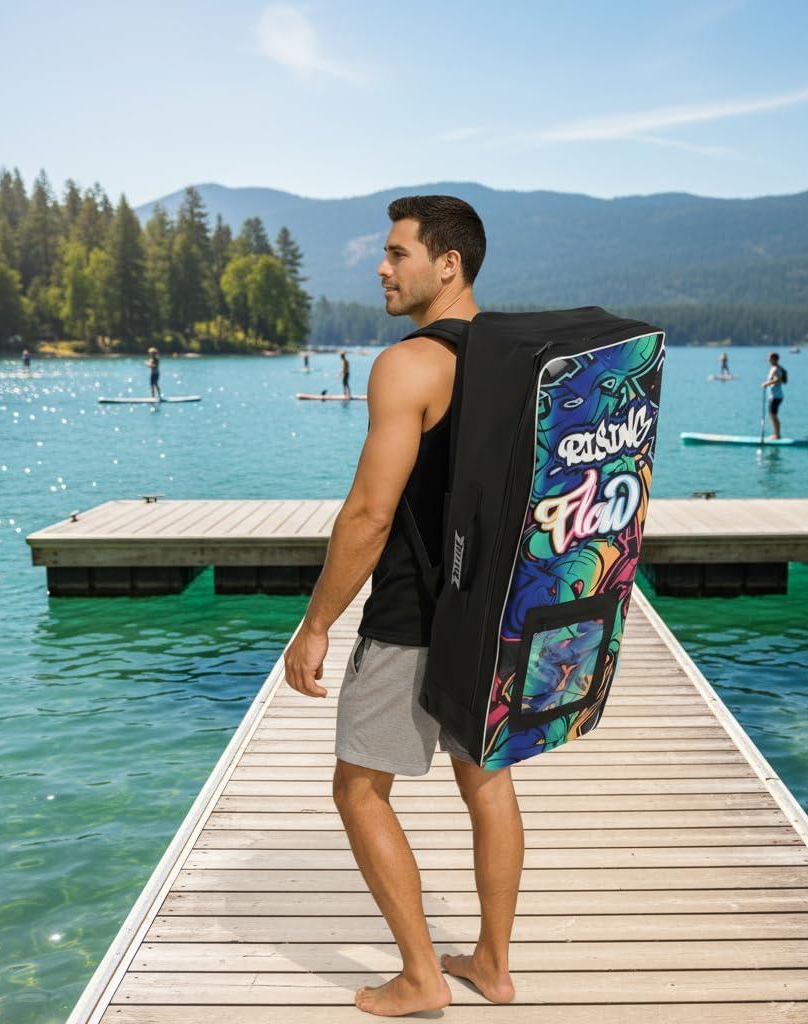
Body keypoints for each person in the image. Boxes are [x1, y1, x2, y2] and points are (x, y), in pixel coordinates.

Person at [283, 195, 523, 1017]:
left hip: (413, 615)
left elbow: (369, 514)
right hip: (497, 613)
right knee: (486, 779)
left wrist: (316, 624)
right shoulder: (518, 361)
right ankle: (493, 966)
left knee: (359, 788)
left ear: (447, 264)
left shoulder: (409, 364)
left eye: (396, 254)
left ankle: (422, 977)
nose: (381, 269)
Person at [761, 350, 787, 439]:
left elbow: (777, 379)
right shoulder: (774, 368)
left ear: (774, 359)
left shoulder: (776, 369)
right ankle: (776, 434)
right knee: (772, 415)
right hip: (774, 396)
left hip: (776, 396)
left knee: (773, 415)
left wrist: (766, 384)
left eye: (770, 358)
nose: (768, 360)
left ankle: (777, 435)